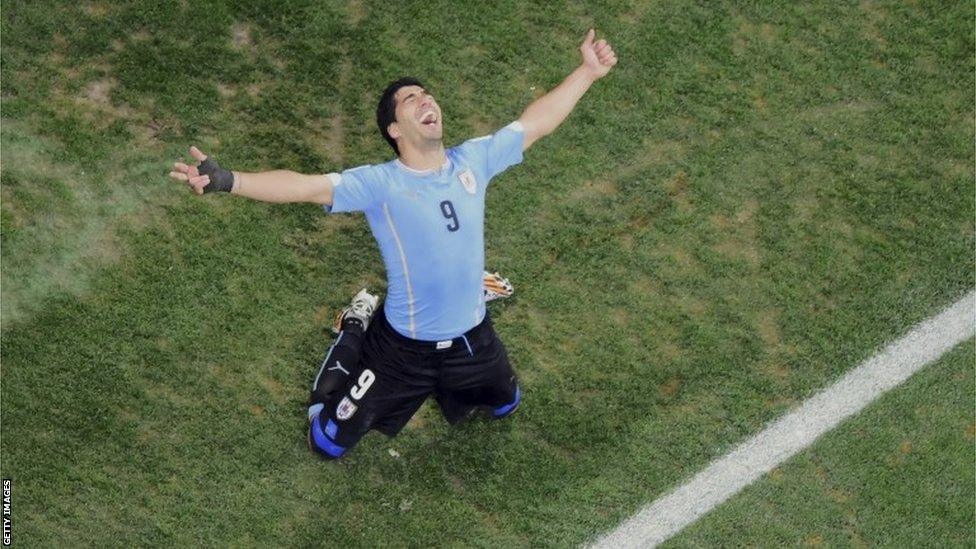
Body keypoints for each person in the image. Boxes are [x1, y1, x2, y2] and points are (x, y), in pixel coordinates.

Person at [169, 30, 618, 459]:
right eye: (410, 99)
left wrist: (587, 72)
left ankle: (473, 289)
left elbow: (533, 124)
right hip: (402, 351)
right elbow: (304, 186)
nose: (427, 100)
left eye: (427, 94)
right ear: (395, 130)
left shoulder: (473, 160)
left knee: (506, 405)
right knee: (325, 443)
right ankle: (354, 326)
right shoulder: (380, 183)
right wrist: (232, 181)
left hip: (471, 337)